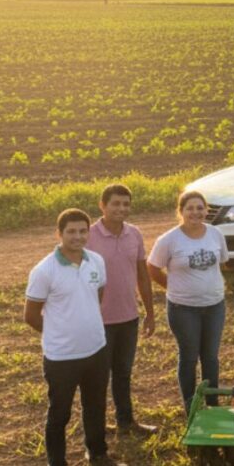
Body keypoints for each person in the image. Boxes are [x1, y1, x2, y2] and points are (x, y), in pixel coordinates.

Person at [25, 209, 125, 466]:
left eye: (83, 231)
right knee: (60, 413)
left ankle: (98, 454)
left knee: (95, 406)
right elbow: (31, 315)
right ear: (59, 234)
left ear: (88, 233)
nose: (77, 236)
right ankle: (57, 462)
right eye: (71, 231)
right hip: (62, 358)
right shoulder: (44, 270)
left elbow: (97, 296)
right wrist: (60, 334)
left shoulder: (96, 261)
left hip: (96, 350)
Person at [86, 184, 158, 437]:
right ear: (102, 205)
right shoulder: (89, 235)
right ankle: (95, 428)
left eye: (126, 204)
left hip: (128, 317)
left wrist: (149, 311)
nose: (121, 209)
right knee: (97, 377)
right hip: (97, 320)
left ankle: (126, 422)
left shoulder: (134, 234)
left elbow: (142, 275)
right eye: (115, 203)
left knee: (123, 373)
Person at [147, 191, 229, 412]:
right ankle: (191, 407)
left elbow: (221, 263)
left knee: (211, 357)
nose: (195, 212)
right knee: (189, 356)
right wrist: (172, 286)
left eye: (200, 208)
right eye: (190, 208)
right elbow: (152, 268)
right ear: (181, 211)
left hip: (214, 306)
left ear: (206, 210)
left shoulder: (215, 234)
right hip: (183, 309)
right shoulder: (169, 240)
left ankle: (213, 404)